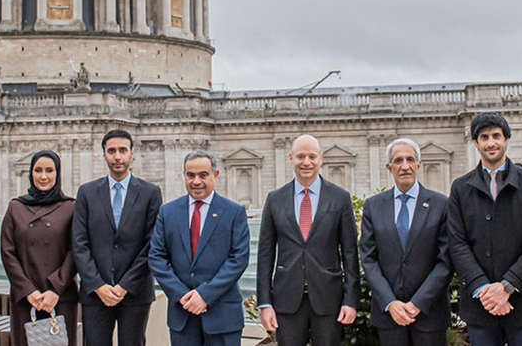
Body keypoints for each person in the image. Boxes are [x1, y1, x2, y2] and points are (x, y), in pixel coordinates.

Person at [448, 112, 522, 346]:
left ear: (507, 139)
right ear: (476, 143)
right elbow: (457, 243)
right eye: (484, 137)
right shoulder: (460, 188)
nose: (491, 142)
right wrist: (484, 289)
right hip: (480, 303)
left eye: (496, 136)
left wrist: (506, 287)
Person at [256, 134, 360, 346]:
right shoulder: (275, 199)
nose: (306, 162)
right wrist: (265, 303)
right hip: (287, 300)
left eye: (312, 156)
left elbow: (350, 254)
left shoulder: (340, 198)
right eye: (301, 156)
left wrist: (351, 300)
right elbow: (265, 255)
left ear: (321, 158)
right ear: (291, 158)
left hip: (328, 299)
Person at [149, 151, 250, 346]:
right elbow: (157, 258)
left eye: (203, 175)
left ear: (215, 175)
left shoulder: (234, 212)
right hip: (183, 315)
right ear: (184, 176)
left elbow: (238, 259)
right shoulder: (167, 212)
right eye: (190, 175)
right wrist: (182, 296)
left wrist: (205, 295)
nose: (196, 181)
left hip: (223, 316)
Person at [72, 129, 163, 346]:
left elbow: (153, 244)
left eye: (122, 150)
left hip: (135, 292)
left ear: (132, 154)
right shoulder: (87, 192)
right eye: (111, 151)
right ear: (103, 154)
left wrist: (124, 286)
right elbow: (79, 243)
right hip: (96, 293)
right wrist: (98, 285)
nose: (117, 156)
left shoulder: (151, 192)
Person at [359, 138, 452, 345]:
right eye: (398, 160)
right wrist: (391, 303)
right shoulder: (373, 206)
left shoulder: (441, 204)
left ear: (419, 165)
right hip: (388, 315)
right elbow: (368, 259)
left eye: (410, 159)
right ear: (389, 167)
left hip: (430, 314)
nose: (405, 166)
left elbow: (446, 261)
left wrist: (418, 303)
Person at [0, 151, 78, 346]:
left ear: (57, 174)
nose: (44, 176)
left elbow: (75, 251)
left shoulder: (70, 207)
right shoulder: (15, 207)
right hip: (26, 298)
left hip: (60, 296)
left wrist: (55, 289)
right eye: (38, 170)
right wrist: (28, 290)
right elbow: (8, 252)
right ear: (30, 173)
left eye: (49, 171)